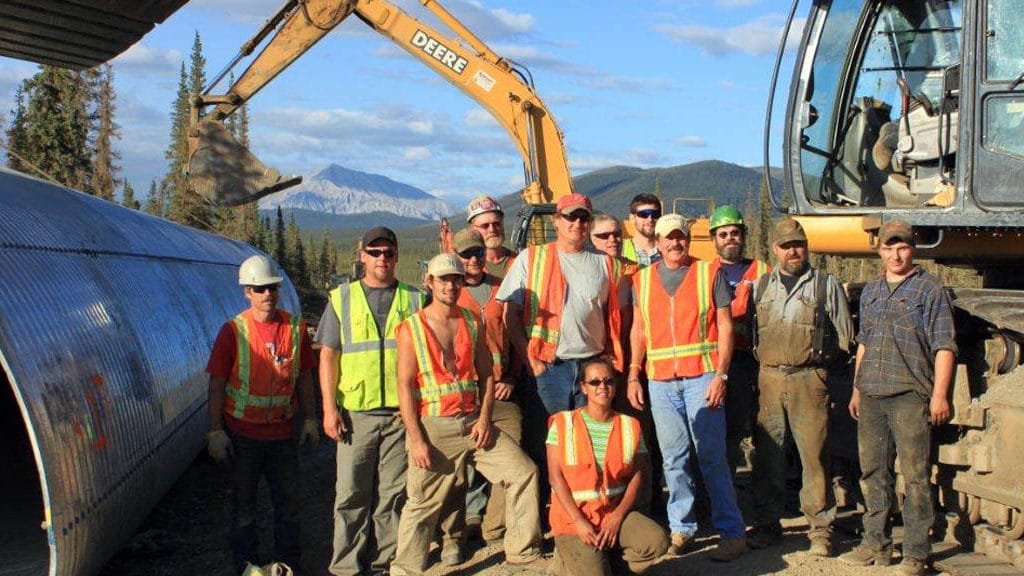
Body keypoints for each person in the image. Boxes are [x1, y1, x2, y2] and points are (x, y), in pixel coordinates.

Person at [391, 253, 543, 576]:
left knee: (523, 472)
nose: (450, 284)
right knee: (422, 503)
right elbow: (404, 387)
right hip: (434, 428)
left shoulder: (472, 322)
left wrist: (486, 417)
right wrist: (416, 440)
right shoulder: (411, 329)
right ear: (429, 282)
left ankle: (522, 551)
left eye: (456, 278)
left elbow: (487, 375)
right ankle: (405, 569)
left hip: (474, 422)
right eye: (443, 278)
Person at [626, 213, 746, 561]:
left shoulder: (710, 273)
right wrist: (634, 373)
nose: (675, 243)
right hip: (661, 382)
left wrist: (721, 375)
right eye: (669, 238)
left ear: (688, 240)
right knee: (674, 460)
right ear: (658, 242)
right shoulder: (642, 280)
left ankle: (732, 532)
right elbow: (639, 330)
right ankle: (683, 528)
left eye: (681, 237)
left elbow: (725, 327)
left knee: (712, 458)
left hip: (702, 379)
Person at [840, 221, 956, 576]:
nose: (895, 254)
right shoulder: (873, 291)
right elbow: (863, 343)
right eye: (889, 248)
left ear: (913, 249)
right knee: (874, 473)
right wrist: (857, 388)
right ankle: (876, 543)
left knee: (916, 477)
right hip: (872, 394)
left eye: (902, 247)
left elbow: (944, 346)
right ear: (879, 250)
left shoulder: (929, 290)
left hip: (909, 395)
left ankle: (917, 552)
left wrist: (940, 395)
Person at [317, 227, 424, 576]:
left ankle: (385, 564)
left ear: (396, 255)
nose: (382, 258)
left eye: (389, 252)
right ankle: (346, 566)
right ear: (362, 255)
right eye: (375, 252)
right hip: (356, 415)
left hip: (399, 415)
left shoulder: (414, 298)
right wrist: (330, 409)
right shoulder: (342, 299)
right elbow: (329, 357)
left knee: (392, 497)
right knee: (350, 496)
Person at [747, 218, 855, 557]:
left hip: (810, 379)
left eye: (799, 244)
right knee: (768, 455)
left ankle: (820, 530)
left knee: (814, 458)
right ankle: (768, 523)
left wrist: (820, 369)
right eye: (787, 245)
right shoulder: (761, 286)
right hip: (769, 379)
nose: (794, 250)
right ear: (775, 250)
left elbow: (845, 337)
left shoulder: (826, 284)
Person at [205, 254, 318, 573]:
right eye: (259, 289)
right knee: (244, 506)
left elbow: (305, 378)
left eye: (272, 288)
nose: (267, 294)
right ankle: (248, 565)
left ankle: (288, 564)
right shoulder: (234, 331)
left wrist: (310, 419)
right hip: (244, 437)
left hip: (282, 434)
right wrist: (215, 430)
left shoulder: (295, 329)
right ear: (247, 292)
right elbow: (217, 383)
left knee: (289, 505)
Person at [498, 193, 624, 417]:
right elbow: (510, 315)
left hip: (592, 367)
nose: (577, 223)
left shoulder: (607, 264)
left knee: (588, 436)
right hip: (549, 368)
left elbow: (617, 317)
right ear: (556, 220)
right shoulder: (531, 258)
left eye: (583, 218)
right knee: (551, 438)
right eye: (570, 217)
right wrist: (531, 362)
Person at [547, 358, 669, 576]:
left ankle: (604, 562)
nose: (602, 387)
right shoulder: (563, 423)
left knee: (657, 542)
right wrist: (579, 521)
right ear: (583, 387)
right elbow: (555, 478)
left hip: (611, 513)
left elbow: (637, 475)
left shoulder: (630, 425)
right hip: (573, 519)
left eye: (608, 381)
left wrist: (617, 516)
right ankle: (570, 563)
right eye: (594, 382)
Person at [450, 228, 525, 550]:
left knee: (512, 454)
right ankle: (468, 519)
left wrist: (512, 378)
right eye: (466, 255)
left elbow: (517, 334)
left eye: (477, 253)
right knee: (467, 460)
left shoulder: (502, 288)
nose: (473, 260)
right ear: (457, 257)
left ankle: (495, 523)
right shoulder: (448, 292)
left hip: (502, 390)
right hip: (466, 393)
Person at [707, 205, 771, 474]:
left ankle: (760, 491)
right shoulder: (705, 272)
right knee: (722, 429)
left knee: (760, 426)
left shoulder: (762, 270)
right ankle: (726, 487)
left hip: (753, 361)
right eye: (723, 234)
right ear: (714, 240)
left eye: (735, 232)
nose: (730, 238)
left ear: (743, 235)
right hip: (718, 361)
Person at [466, 195, 516, 278]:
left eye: (496, 224)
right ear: (472, 229)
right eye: (485, 226)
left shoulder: (519, 261)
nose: (492, 230)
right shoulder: (466, 268)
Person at [622, 193, 663, 266]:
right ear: (632, 218)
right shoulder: (620, 249)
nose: (650, 219)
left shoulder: (668, 249)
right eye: (643, 214)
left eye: (655, 214)